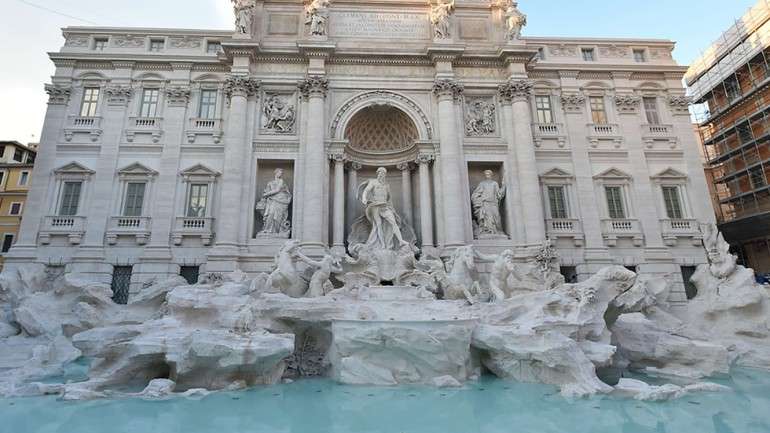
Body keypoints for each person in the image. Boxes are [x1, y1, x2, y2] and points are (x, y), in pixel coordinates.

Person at [360, 167, 409, 251]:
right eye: (380, 173)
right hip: (375, 206)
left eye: (383, 174)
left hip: (385, 206)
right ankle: (382, 245)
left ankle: (401, 241)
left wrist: (391, 208)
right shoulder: (373, 182)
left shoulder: (386, 185)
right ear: (377, 174)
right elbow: (366, 191)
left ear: (385, 175)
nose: (381, 175)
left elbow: (389, 198)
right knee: (378, 225)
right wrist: (364, 198)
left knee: (393, 222)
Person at [257, 169, 292, 236]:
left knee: (278, 216)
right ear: (276, 173)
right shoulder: (270, 183)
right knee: (271, 214)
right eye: (279, 173)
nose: (280, 174)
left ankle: (276, 231)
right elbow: (266, 191)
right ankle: (267, 230)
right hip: (271, 201)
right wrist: (265, 195)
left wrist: (266, 194)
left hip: (280, 200)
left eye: (281, 173)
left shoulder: (281, 181)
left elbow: (277, 190)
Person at [471, 170, 506, 236]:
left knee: (497, 217)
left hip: (493, 203)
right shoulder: (482, 184)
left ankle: (498, 231)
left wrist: (503, 186)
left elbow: (499, 194)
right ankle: (488, 231)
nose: (487, 175)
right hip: (485, 203)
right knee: (487, 218)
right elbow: (476, 193)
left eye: (489, 174)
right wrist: (478, 200)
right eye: (486, 174)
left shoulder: (495, 183)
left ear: (491, 175)